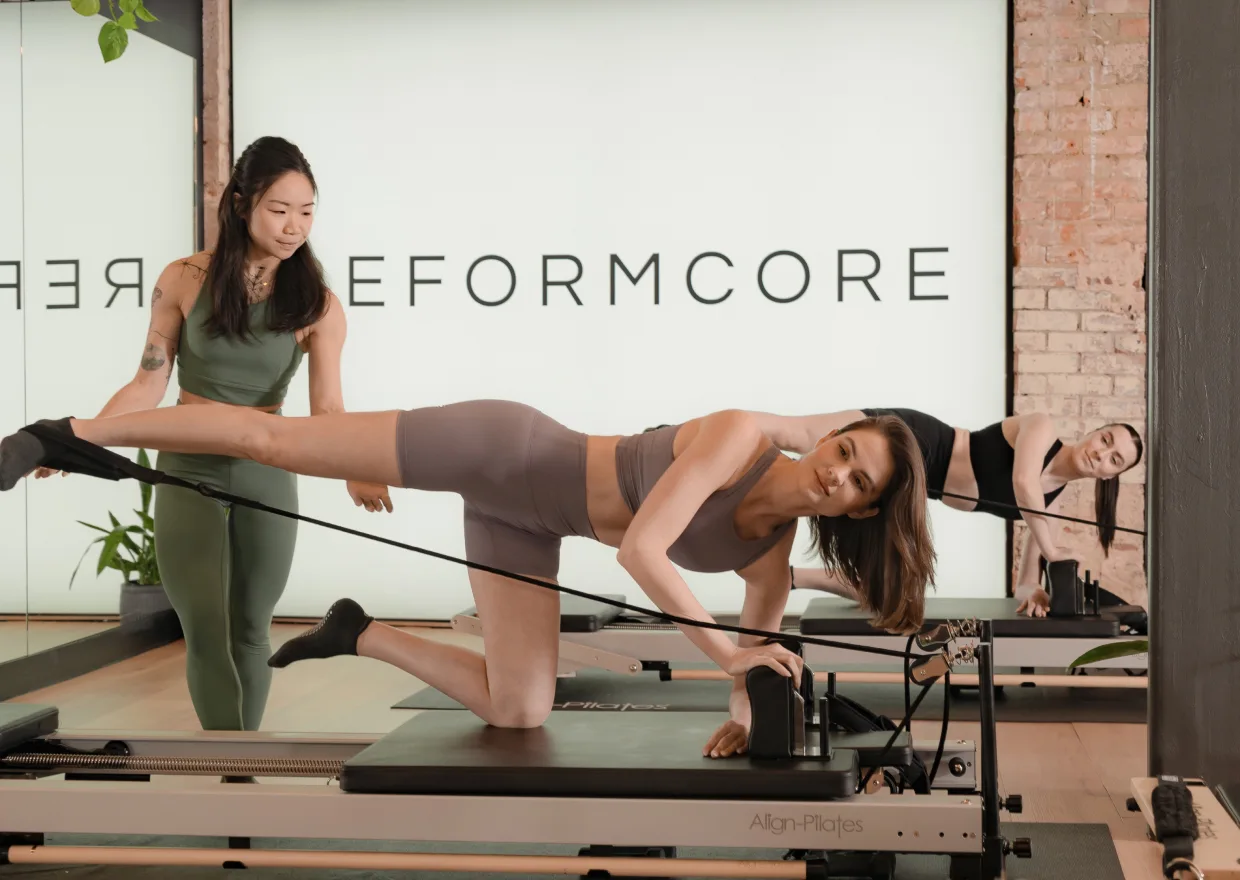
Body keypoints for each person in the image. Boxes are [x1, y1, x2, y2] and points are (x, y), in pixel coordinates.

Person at [0, 401, 936, 758]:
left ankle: (357, 630)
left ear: (858, 512)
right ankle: (68, 433)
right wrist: (724, 646)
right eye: (846, 452)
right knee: (269, 439)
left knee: (520, 710)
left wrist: (744, 713)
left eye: (860, 484)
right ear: (828, 436)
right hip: (505, 449)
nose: (839, 473)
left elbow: (755, 654)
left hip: (526, 530)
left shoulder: (767, 555)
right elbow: (644, 553)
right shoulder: (740, 435)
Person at [28, 136, 393, 734]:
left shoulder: (317, 304)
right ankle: (229, 761)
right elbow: (147, 385)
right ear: (243, 204)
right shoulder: (183, 278)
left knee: (252, 626)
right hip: (186, 468)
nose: (294, 225)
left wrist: (358, 462)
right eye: (279, 209)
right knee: (203, 627)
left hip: (266, 470)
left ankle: (238, 772)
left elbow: (327, 406)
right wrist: (82, 441)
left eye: (307, 211)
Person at [740, 408, 1142, 618]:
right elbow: (1023, 482)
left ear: (1111, 476)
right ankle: (707, 434)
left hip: (908, 492)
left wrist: (1036, 592)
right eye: (1105, 439)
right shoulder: (1041, 428)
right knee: (795, 434)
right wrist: (1051, 551)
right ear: (1094, 430)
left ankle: (790, 578)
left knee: (886, 596)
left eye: (1114, 460)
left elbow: (1021, 587)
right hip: (917, 442)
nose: (1101, 453)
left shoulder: (1048, 513)